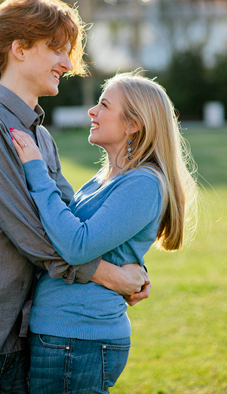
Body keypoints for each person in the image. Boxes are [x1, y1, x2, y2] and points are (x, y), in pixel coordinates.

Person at [0, 0, 149, 394]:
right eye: (57, 50)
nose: (67, 63)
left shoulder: (40, 138)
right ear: (19, 48)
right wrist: (112, 277)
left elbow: (69, 226)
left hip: (20, 337)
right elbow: (34, 236)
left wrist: (129, 261)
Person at [11, 72, 197, 392]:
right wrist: (126, 275)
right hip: (63, 335)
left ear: (133, 124)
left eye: (104, 105)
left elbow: (76, 245)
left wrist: (35, 169)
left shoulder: (143, 183)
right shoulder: (103, 179)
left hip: (79, 339)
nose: (92, 112)